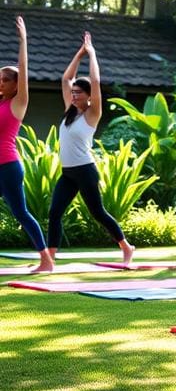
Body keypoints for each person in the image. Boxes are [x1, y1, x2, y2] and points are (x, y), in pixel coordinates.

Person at [48, 32, 135, 266]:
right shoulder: (70, 110)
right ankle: (50, 259)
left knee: (98, 213)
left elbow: (95, 82)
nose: (74, 95)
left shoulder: (92, 114)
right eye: (73, 93)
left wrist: (92, 53)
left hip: (85, 171)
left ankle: (126, 247)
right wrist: (79, 53)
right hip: (68, 173)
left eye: (79, 93)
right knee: (54, 213)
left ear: (89, 97)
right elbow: (67, 78)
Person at [0, 16, 54, 271]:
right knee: (19, 212)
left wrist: (23, 40)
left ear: (15, 84)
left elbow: (23, 69)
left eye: (5, 80)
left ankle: (46, 260)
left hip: (9, 166)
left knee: (20, 212)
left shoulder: (17, 104)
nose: (1, 83)